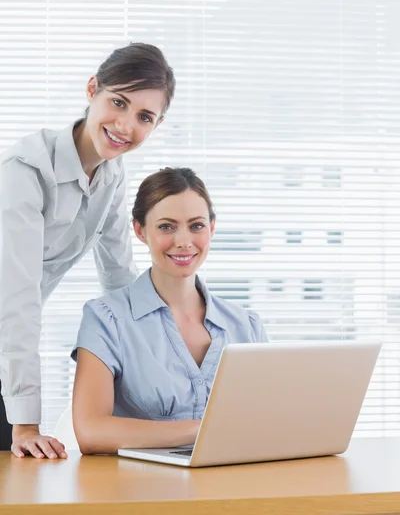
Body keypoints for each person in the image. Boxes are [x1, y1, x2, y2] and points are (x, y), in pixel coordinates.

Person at [0, 43, 175, 459]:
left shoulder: (111, 175)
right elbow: (17, 299)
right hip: (10, 332)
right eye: (118, 102)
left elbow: (120, 278)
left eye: (144, 117)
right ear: (92, 89)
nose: (125, 125)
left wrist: (168, 360)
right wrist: (25, 424)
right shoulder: (24, 173)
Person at [71, 167, 268, 455]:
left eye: (196, 225)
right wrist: (200, 430)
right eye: (166, 226)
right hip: (140, 491)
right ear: (140, 230)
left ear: (212, 228)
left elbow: (267, 421)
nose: (184, 241)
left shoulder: (246, 325)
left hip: (233, 487)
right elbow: (91, 431)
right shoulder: (106, 319)